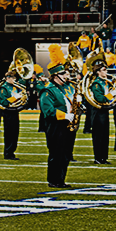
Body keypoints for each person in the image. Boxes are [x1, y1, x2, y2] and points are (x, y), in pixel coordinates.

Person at [39, 45, 76, 188]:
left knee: (66, 153)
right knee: (56, 153)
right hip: (55, 125)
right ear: (55, 76)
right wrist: (65, 115)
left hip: (67, 124)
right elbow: (48, 111)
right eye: (63, 74)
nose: (66, 76)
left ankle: (61, 179)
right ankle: (53, 180)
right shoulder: (48, 91)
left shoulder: (66, 88)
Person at [0, 65, 26, 161]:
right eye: (13, 78)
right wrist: (16, 98)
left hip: (15, 111)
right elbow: (4, 102)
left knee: (15, 133)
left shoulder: (15, 87)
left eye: (15, 78)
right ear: (8, 78)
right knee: (9, 133)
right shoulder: (4, 88)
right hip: (8, 112)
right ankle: (8, 152)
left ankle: (12, 152)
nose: (15, 80)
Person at [89, 58, 116, 164]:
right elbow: (100, 99)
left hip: (105, 111)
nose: (106, 71)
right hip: (98, 112)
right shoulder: (96, 84)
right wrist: (111, 95)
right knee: (99, 136)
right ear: (98, 72)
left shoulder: (106, 82)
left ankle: (103, 157)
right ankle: (98, 158)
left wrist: (115, 95)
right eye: (104, 70)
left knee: (105, 136)